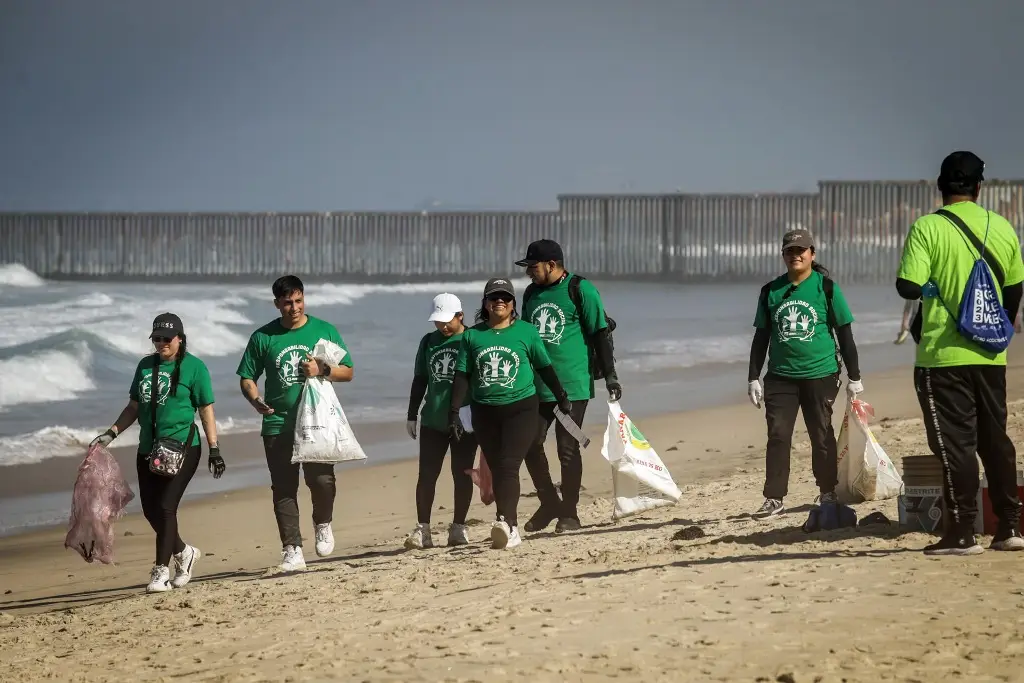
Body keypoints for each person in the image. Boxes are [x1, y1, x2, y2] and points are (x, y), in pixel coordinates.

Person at [896, 150, 1024, 555]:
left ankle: (963, 531)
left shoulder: (928, 227)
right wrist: (997, 327)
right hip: (990, 356)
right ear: (979, 187)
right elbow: (1016, 287)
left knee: (956, 445)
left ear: (941, 185)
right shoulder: (1002, 227)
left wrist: (935, 286)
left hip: (942, 356)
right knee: (994, 440)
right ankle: (1010, 527)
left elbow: (907, 286)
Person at [90, 313, 224, 592]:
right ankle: (184, 553)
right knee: (151, 510)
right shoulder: (144, 366)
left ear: (180, 339)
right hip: (149, 449)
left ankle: (160, 572)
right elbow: (133, 407)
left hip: (182, 447)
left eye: (167, 339)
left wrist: (214, 449)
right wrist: (111, 433)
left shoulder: (195, 368)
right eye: (157, 339)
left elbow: (206, 410)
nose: (161, 343)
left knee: (165, 507)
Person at [236, 275, 354, 571]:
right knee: (283, 488)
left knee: (322, 481)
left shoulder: (323, 331)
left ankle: (322, 521)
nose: (294, 307)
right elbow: (247, 377)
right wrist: (254, 399)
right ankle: (292, 549)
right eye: (287, 302)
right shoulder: (264, 338)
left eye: (298, 301)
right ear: (277, 304)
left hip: (316, 422)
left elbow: (348, 372)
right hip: (277, 423)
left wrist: (322, 368)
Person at [447, 277, 571, 550]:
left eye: (505, 297)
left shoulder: (526, 332)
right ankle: (505, 522)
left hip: (521, 408)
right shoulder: (472, 336)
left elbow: (544, 366)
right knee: (498, 465)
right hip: (485, 412)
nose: (499, 301)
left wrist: (561, 396)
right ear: (486, 303)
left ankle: (509, 525)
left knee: (509, 465)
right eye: (494, 297)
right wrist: (454, 411)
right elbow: (462, 376)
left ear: (513, 303)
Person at [747, 229, 863, 519]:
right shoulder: (770, 291)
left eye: (801, 250)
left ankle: (827, 491)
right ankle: (774, 499)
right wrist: (753, 377)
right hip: (780, 376)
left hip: (820, 374)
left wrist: (855, 377)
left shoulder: (826, 288)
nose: (795, 255)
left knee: (821, 434)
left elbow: (845, 335)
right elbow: (761, 337)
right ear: (783, 255)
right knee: (778, 435)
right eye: (790, 251)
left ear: (812, 253)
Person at [515, 239, 622, 533]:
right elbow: (525, 339)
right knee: (529, 444)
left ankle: (570, 514)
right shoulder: (531, 294)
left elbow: (600, 333)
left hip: (573, 387)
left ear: (551, 265)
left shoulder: (580, 289)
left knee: (567, 449)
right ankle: (550, 502)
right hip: (537, 387)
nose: (529, 273)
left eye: (533, 267)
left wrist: (611, 376)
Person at [403, 292, 478, 549]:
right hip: (433, 419)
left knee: (463, 474)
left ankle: (458, 527)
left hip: (465, 421)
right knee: (427, 475)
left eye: (447, 321)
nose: (443, 326)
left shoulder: (472, 339)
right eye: (438, 321)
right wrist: (412, 414)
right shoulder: (428, 342)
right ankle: (423, 529)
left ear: (460, 316)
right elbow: (420, 379)